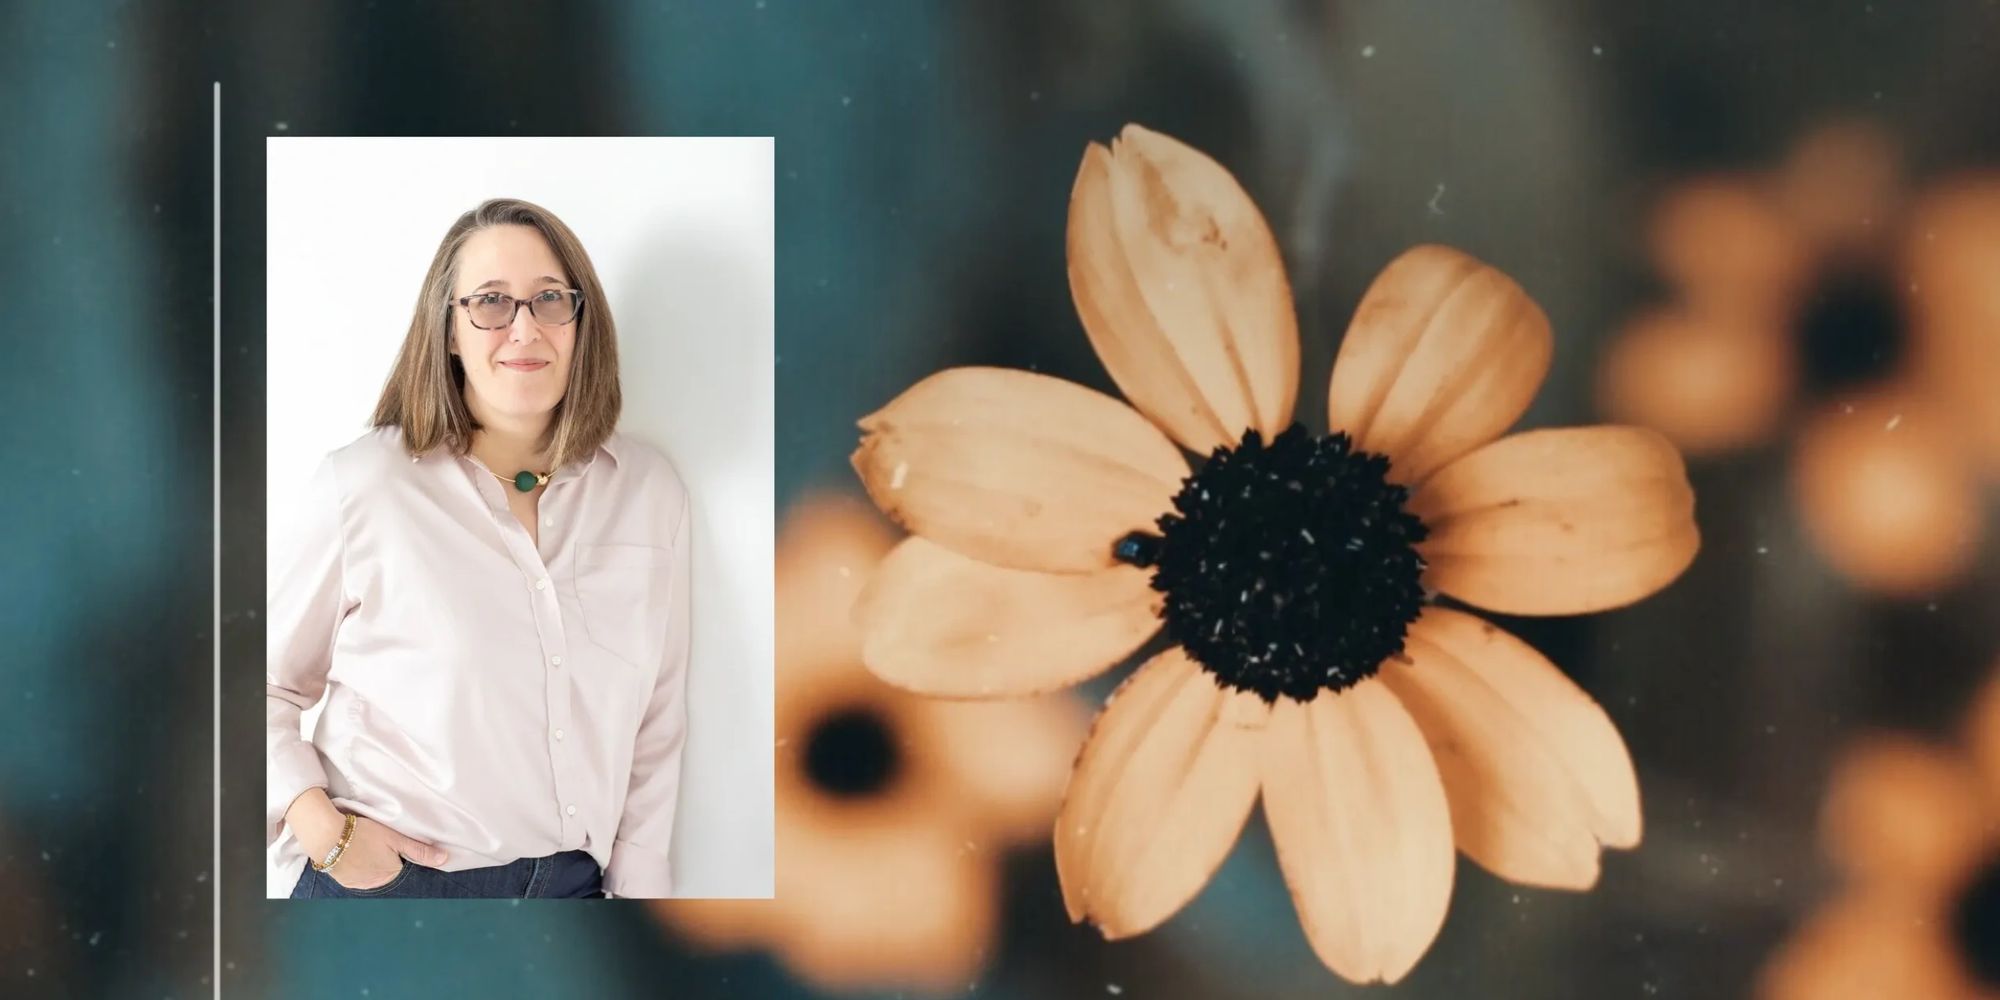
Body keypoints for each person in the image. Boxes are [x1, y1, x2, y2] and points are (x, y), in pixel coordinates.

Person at [267, 198, 691, 899]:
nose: (523, 327)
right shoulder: (366, 486)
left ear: (581, 324)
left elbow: (658, 715)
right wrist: (326, 834)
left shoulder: (648, 492)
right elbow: (253, 684)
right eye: (491, 303)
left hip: (575, 892)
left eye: (550, 299)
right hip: (393, 890)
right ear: (451, 333)